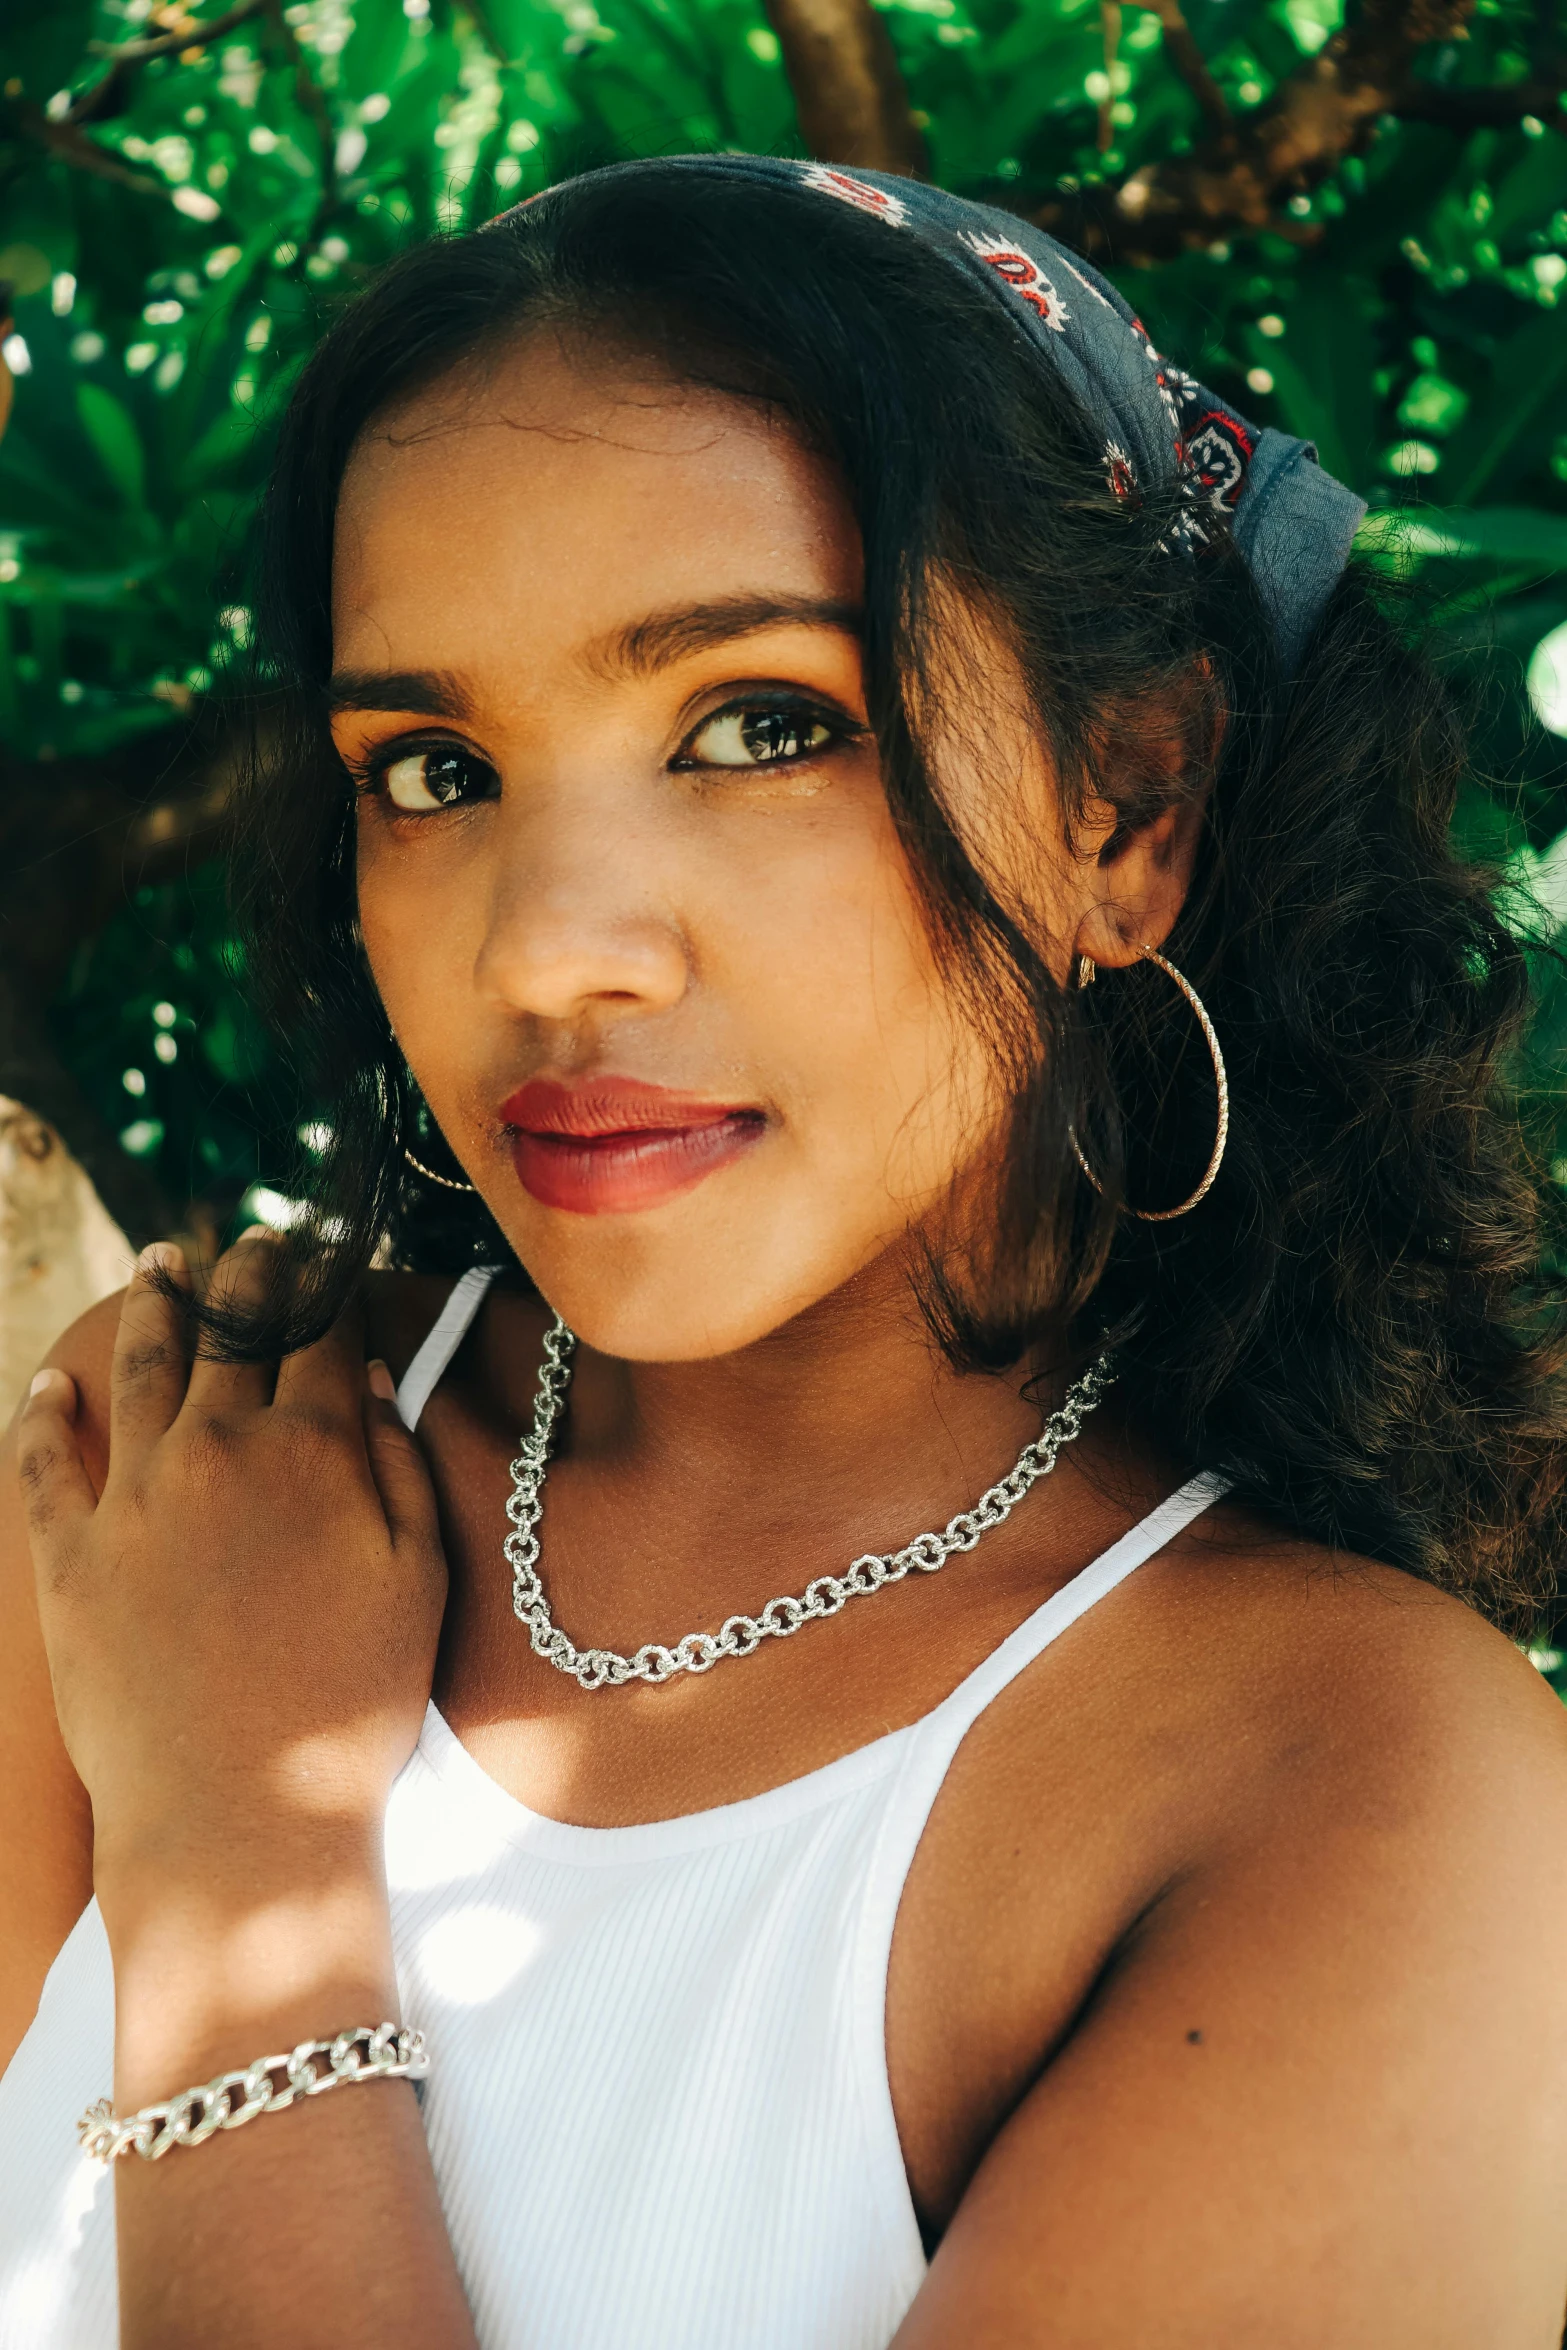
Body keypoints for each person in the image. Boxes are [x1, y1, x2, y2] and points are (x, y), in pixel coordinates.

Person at [1, 154, 1565, 2350]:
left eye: (759, 724)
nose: (549, 946)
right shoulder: (203, 1443)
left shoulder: (1358, 1795)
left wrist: (239, 1850)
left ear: (1130, 809)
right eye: (433, 764)